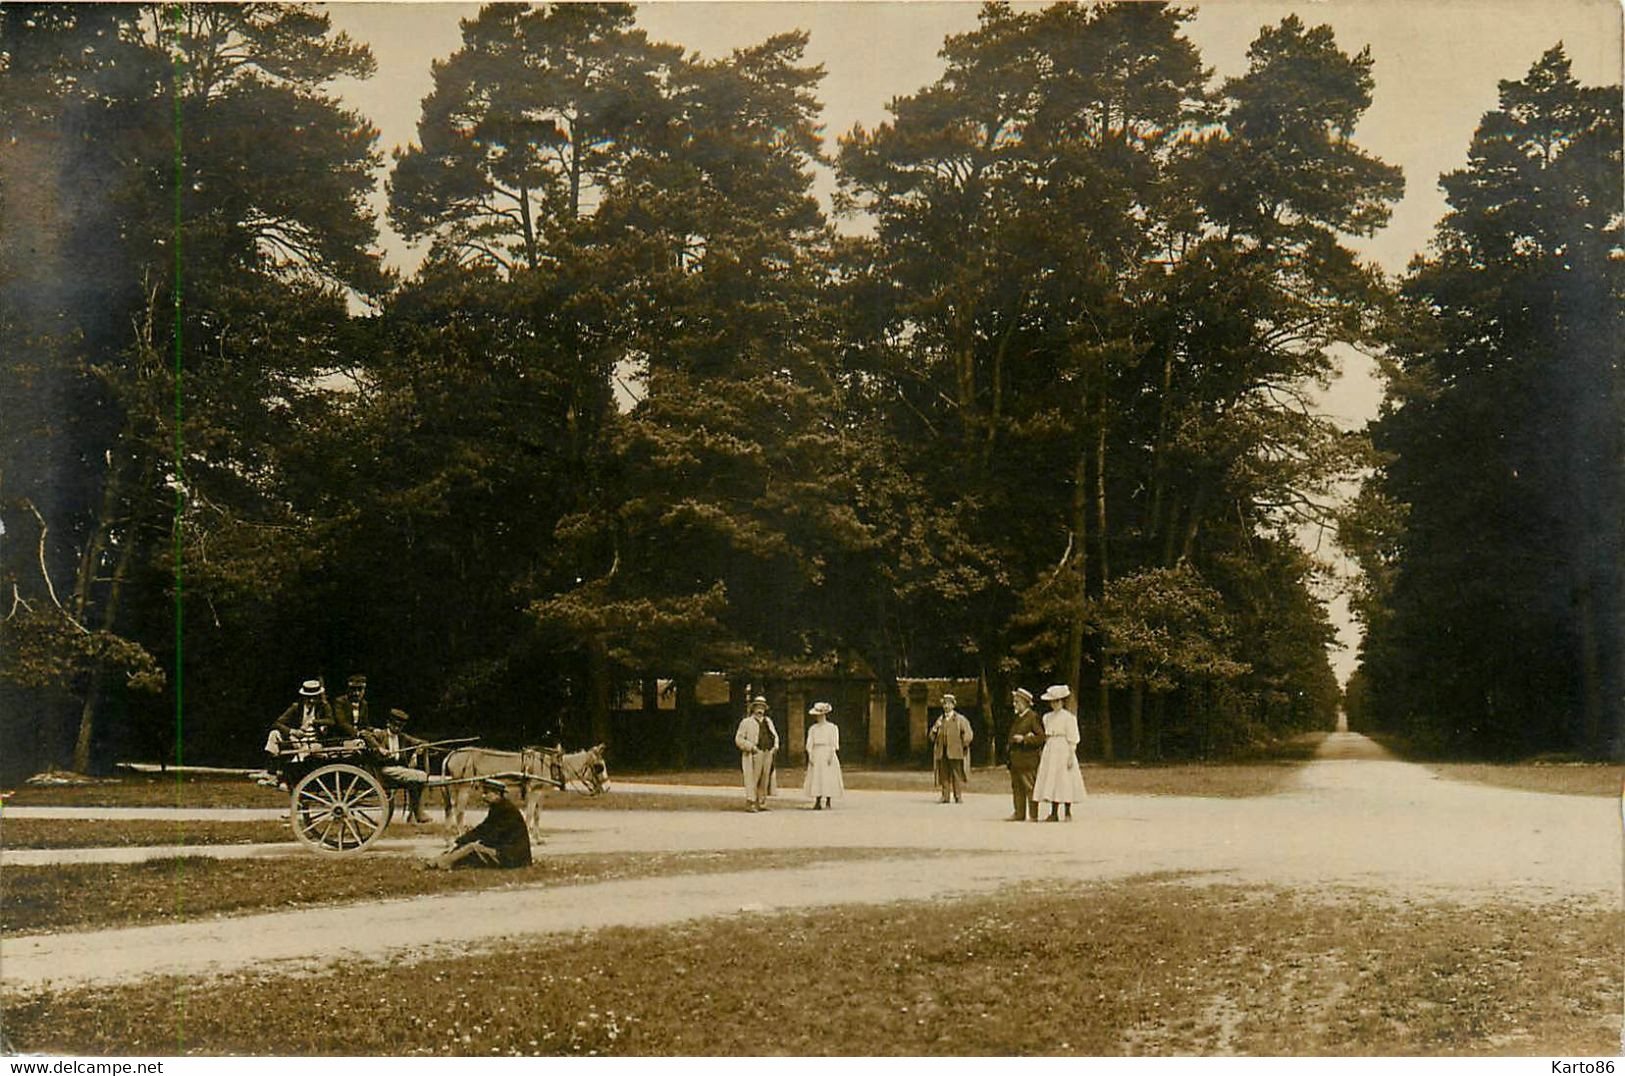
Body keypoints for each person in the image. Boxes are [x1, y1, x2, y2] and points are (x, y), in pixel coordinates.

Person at [428, 778, 532, 869]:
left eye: (487, 793)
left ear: (497, 794)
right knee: (467, 847)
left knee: (472, 847)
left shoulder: (506, 810)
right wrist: (463, 840)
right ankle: (437, 860)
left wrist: (472, 842)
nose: (483, 796)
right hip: (506, 853)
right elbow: (483, 829)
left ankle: (444, 862)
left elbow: (492, 835)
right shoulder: (498, 807)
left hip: (514, 857)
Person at [362, 708, 432, 823]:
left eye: (400, 726)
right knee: (421, 776)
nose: (397, 728)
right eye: (395, 725)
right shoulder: (381, 734)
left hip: (397, 769)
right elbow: (366, 735)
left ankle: (415, 813)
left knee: (413, 782)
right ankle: (418, 812)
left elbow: (423, 743)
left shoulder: (402, 737)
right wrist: (380, 748)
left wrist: (416, 752)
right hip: (383, 769)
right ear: (388, 723)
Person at [1032, 684, 1086, 821]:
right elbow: (1046, 735)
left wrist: (1070, 755)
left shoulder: (1069, 718)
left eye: (1057, 701)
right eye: (1052, 702)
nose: (1054, 704)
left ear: (1062, 701)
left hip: (1063, 748)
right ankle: (1053, 812)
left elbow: (1073, 738)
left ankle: (1067, 811)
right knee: (1052, 779)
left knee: (1065, 779)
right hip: (1051, 748)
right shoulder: (1047, 717)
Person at [734, 695, 779, 812]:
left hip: (767, 752)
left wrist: (775, 747)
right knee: (753, 778)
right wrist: (751, 747)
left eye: (762, 707)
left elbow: (775, 735)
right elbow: (739, 739)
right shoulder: (746, 722)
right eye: (758, 707)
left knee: (765, 778)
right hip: (754, 753)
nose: (760, 710)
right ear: (753, 708)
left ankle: (761, 802)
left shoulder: (768, 721)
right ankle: (751, 802)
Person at [1006, 687, 1045, 821]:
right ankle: (1019, 813)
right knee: (1017, 787)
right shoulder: (1018, 718)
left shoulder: (1032, 717)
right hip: (1016, 760)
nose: (1014, 705)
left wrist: (1025, 739)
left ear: (1025, 703)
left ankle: (1033, 815)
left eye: (1017, 702)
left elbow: (1041, 738)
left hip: (1028, 760)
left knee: (1029, 788)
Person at [929, 693, 974, 804]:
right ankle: (945, 796)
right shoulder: (940, 720)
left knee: (956, 775)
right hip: (942, 752)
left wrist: (963, 745)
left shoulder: (959, 719)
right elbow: (931, 737)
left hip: (955, 752)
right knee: (944, 775)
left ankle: (958, 796)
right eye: (944, 704)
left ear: (953, 705)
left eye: (949, 704)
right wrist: (935, 729)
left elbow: (968, 734)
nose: (946, 706)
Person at [801, 701, 844, 810]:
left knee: (828, 775)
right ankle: (818, 800)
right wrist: (810, 754)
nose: (818, 717)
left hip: (827, 751)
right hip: (817, 752)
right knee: (817, 776)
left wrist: (831, 754)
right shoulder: (813, 728)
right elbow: (809, 742)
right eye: (817, 715)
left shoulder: (832, 727)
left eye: (820, 715)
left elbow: (834, 742)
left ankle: (828, 799)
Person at [332, 674, 369, 738]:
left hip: (359, 737)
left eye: (360, 690)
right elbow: (341, 723)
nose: (356, 693)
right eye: (353, 690)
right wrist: (356, 733)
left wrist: (372, 730)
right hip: (342, 738)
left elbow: (364, 725)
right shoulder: (340, 702)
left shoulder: (364, 704)